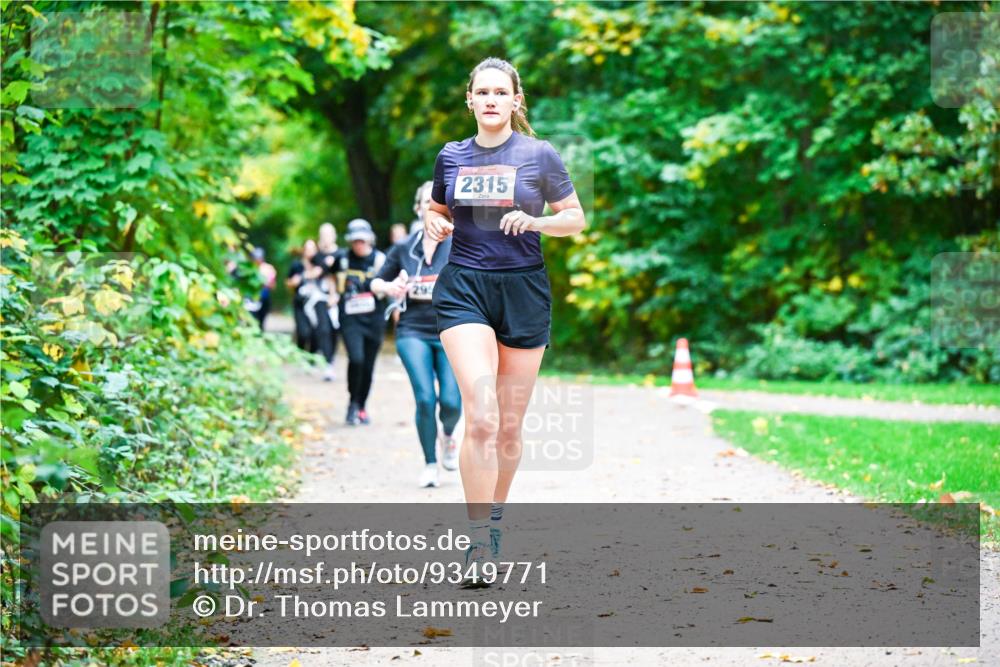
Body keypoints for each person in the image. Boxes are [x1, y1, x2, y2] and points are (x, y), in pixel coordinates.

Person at [423, 57, 585, 581]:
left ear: (516, 101)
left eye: (500, 92)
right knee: (483, 416)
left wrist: (536, 221)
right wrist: (432, 222)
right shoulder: (451, 156)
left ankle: (493, 523)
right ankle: (476, 543)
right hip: (465, 289)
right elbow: (438, 210)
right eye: (483, 92)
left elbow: (575, 218)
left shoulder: (539, 154)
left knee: (509, 427)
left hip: (523, 291)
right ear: (469, 100)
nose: (491, 99)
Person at [371, 182, 461, 488]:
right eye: (427, 202)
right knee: (425, 398)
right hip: (412, 330)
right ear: (418, 208)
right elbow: (375, 282)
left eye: (439, 203)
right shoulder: (404, 248)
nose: (433, 207)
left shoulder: (460, 243)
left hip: (451, 329)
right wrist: (390, 287)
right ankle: (430, 464)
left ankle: (448, 434)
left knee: (451, 401)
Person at [334, 219, 388, 426]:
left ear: (370, 240)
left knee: (368, 365)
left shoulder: (380, 260)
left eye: (362, 240)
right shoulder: (342, 259)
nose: (359, 244)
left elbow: (389, 285)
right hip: (350, 319)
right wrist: (333, 294)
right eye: (355, 241)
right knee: (356, 359)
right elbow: (330, 276)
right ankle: (352, 402)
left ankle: (362, 405)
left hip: (374, 319)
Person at [313, 223, 341, 381]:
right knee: (323, 329)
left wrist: (336, 295)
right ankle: (328, 364)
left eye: (328, 234)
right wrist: (325, 263)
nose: (326, 237)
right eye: (323, 234)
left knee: (334, 330)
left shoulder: (341, 254)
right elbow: (314, 273)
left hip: (338, 297)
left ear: (334, 235)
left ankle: (331, 359)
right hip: (320, 297)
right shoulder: (317, 256)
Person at [286, 240, 325, 352]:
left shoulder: (320, 264)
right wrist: (294, 282)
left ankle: (312, 357)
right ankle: (300, 353)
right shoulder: (297, 265)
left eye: (313, 249)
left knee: (316, 332)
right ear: (303, 250)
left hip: (316, 303)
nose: (310, 252)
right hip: (300, 302)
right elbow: (288, 282)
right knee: (303, 332)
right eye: (308, 249)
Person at [248, 246, 276, 331]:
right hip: (250, 298)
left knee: (261, 321)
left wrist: (263, 283)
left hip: (264, 297)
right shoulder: (248, 268)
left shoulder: (269, 268)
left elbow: (273, 285)